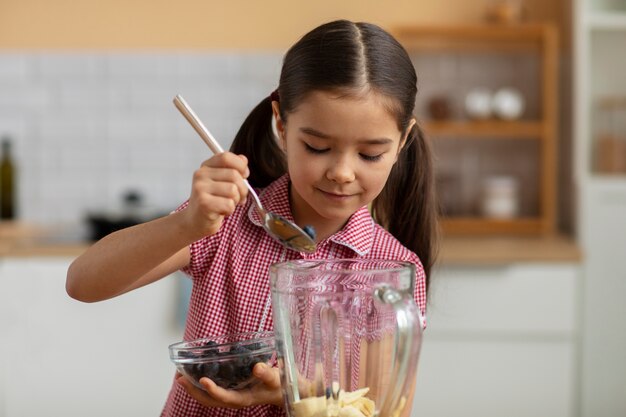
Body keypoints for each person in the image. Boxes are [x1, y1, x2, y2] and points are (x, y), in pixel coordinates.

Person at [66, 19, 438, 417]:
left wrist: (294, 392)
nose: (342, 172)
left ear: (401, 142)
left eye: (369, 155)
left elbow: (384, 408)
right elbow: (83, 283)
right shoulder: (225, 222)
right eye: (316, 146)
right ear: (281, 124)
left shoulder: (393, 272)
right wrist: (186, 223)